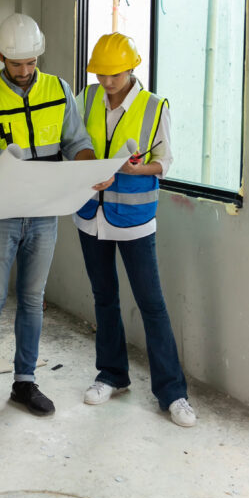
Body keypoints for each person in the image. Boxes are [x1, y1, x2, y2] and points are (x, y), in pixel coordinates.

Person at [0, 13, 98, 428]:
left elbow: (78, 142)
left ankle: (24, 382)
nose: (25, 71)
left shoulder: (59, 89)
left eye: (32, 62)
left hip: (44, 215)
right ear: (0, 55)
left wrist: (91, 169)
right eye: (17, 63)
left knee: (33, 301)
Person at [73, 32, 196, 427]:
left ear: (131, 67)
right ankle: (111, 375)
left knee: (152, 304)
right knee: (104, 297)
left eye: (114, 74)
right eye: (102, 74)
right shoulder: (88, 98)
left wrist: (134, 169)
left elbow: (165, 161)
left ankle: (173, 393)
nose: (107, 82)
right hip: (91, 215)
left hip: (135, 220)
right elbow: (74, 142)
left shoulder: (154, 107)